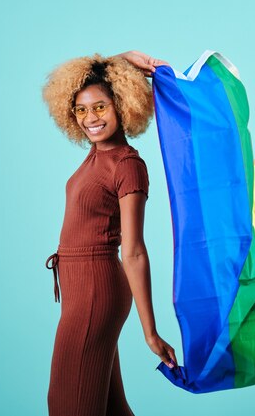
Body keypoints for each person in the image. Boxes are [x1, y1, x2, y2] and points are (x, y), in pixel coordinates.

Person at [41, 50, 177, 416]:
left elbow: (133, 251)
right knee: (109, 406)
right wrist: (124, 59)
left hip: (95, 289)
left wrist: (150, 332)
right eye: (82, 110)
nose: (91, 118)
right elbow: (89, 77)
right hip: (80, 288)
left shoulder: (126, 165)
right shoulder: (96, 153)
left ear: (121, 105)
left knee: (68, 405)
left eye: (100, 107)